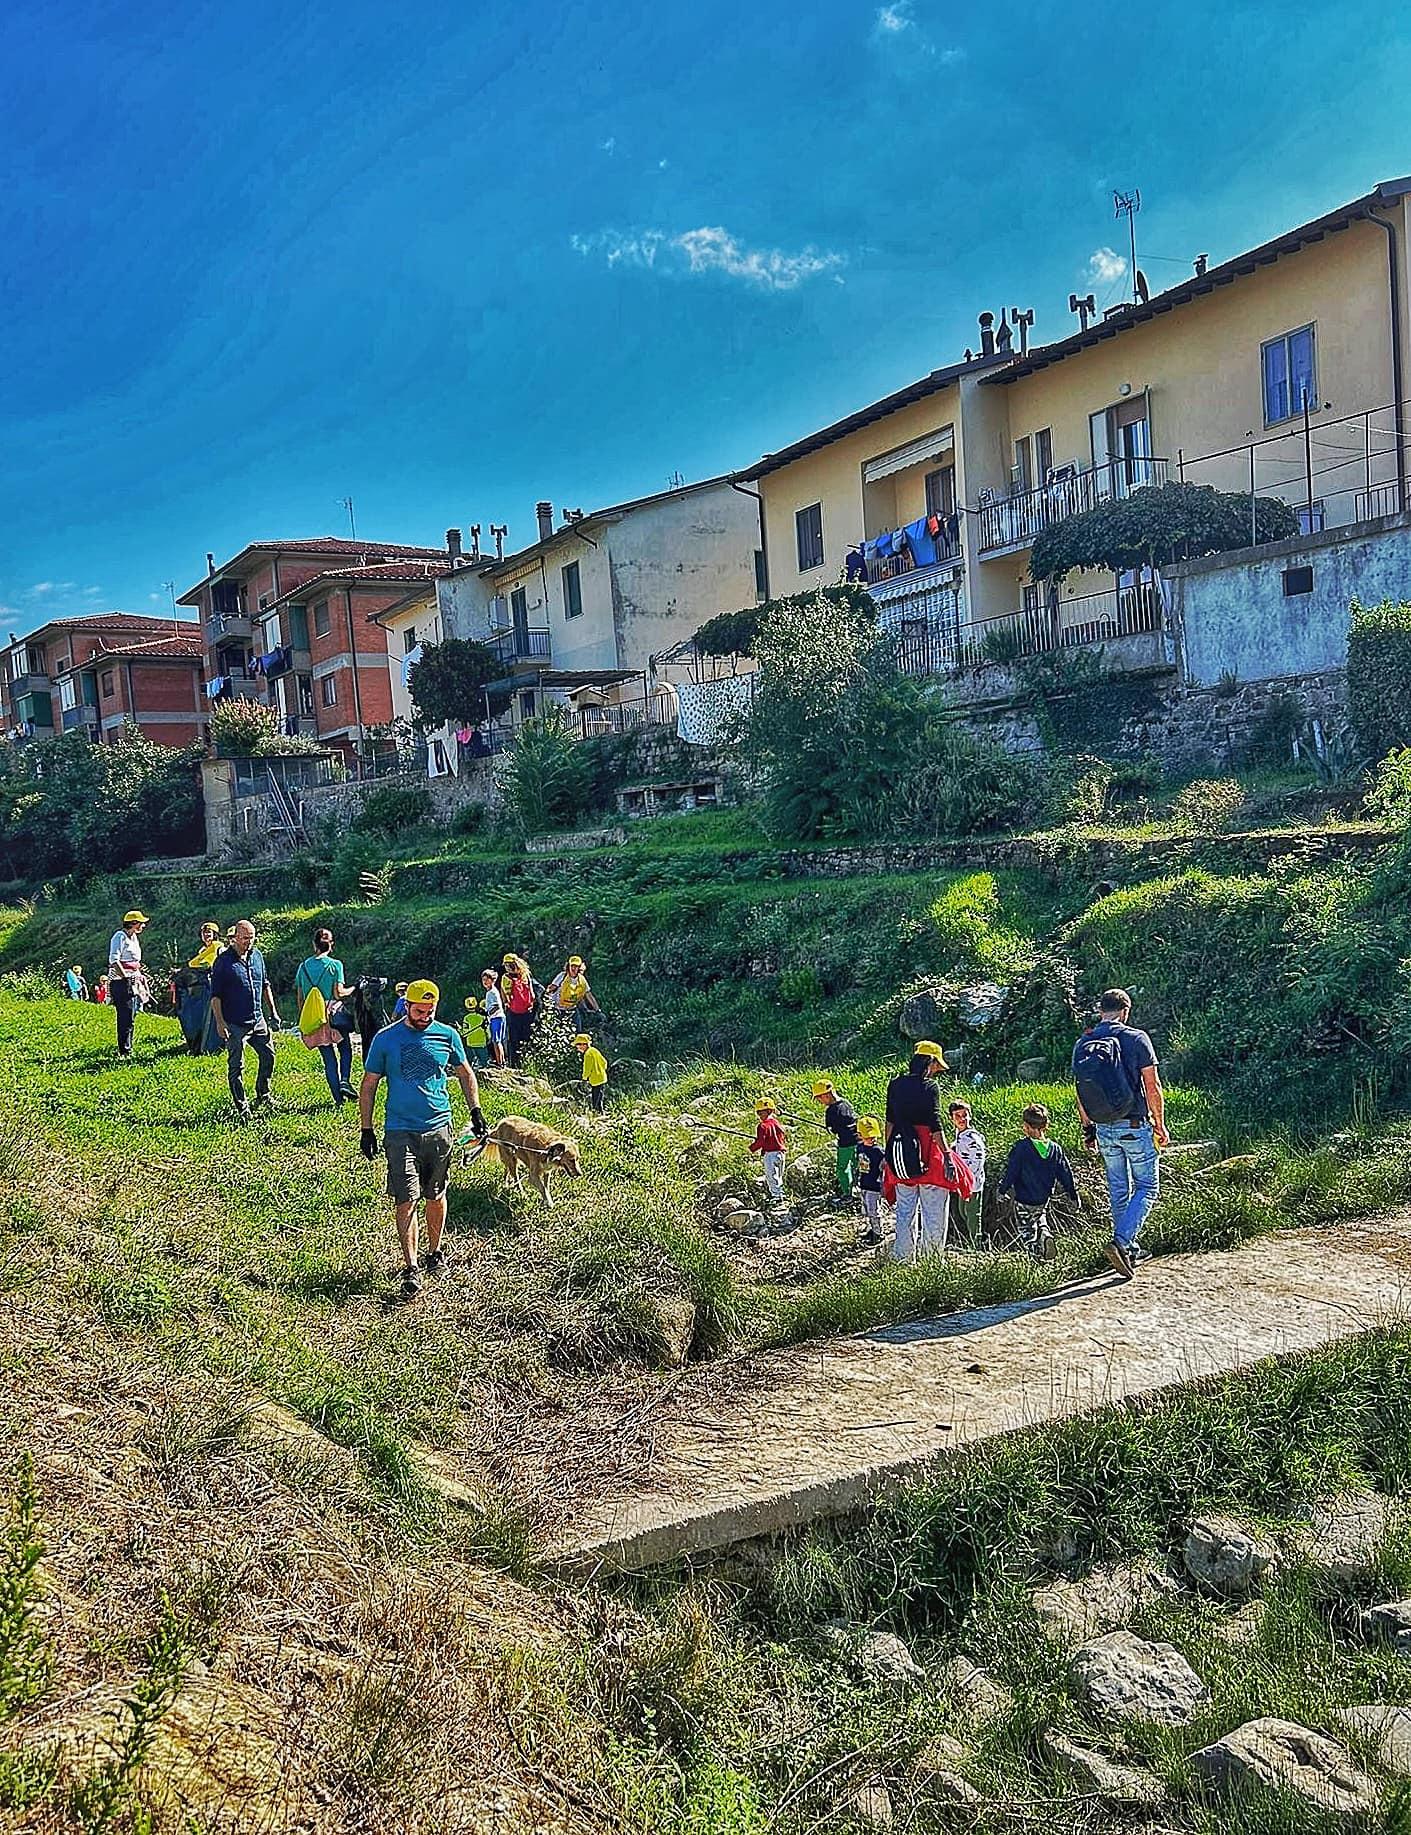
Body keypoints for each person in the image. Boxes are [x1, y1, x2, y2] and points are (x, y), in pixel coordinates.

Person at [358, 977, 487, 1297]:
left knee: (436, 1194)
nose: (425, 1015)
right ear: (407, 1006)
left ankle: (435, 1252)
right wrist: (366, 1128)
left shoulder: (447, 1036)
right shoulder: (386, 1039)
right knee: (406, 1198)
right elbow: (370, 1082)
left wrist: (476, 1110)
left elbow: (465, 1071)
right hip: (400, 1129)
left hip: (439, 1128)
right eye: (419, 1010)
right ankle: (411, 1266)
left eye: (430, 1010)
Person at [1072, 987, 1169, 1280]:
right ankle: (1122, 1241)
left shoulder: (1084, 1043)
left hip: (1103, 1128)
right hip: (1134, 1126)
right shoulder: (1136, 1038)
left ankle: (1130, 1250)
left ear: (1101, 1011)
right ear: (1125, 1011)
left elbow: (1080, 1092)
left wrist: (1088, 1129)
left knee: (1118, 1188)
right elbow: (1153, 1086)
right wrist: (1160, 1124)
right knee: (1148, 1187)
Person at [883, 1040, 952, 1260]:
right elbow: (935, 1124)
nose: (935, 1072)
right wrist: (948, 1155)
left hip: (900, 1151)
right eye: (935, 1066)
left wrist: (888, 1154)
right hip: (927, 1152)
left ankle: (903, 1258)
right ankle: (930, 1261)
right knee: (934, 1213)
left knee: (904, 1212)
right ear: (930, 1062)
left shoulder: (895, 1084)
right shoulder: (930, 1087)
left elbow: (889, 1122)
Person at [210, 918, 282, 1123]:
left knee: (269, 1056)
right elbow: (215, 996)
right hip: (234, 1023)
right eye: (244, 938)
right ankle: (242, 1107)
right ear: (234, 938)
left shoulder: (257, 956)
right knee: (236, 1066)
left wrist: (273, 1012)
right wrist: (220, 1022)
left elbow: (265, 984)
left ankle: (263, 1093)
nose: (247, 942)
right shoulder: (223, 962)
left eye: (251, 938)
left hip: (258, 1019)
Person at [996, 1103, 1076, 1260]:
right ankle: (1045, 1233)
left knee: (1026, 1230)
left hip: (1024, 1199)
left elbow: (1012, 1172)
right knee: (1040, 1215)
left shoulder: (1021, 1148)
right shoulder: (1055, 1149)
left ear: (1026, 1126)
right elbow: (1065, 1173)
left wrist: (1002, 1189)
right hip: (1043, 1198)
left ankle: (1036, 1257)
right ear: (1046, 1125)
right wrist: (1073, 1195)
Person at [295, 927, 357, 1106]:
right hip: (332, 1015)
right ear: (331, 945)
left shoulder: (303, 966)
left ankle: (338, 1101)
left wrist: (305, 1018)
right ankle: (345, 1079)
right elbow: (339, 993)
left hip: (313, 1016)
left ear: (314, 944)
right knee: (345, 1048)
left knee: (328, 1059)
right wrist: (354, 989)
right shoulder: (335, 965)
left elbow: (300, 998)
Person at [176, 921, 225, 1056]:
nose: (206, 935)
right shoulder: (202, 950)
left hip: (210, 986)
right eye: (204, 933)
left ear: (215, 934)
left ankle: (210, 1045)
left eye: (209, 933)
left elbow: (205, 964)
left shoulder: (218, 947)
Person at [107, 909, 148, 1059]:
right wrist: (125, 977)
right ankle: (124, 1049)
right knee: (125, 1015)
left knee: (132, 1013)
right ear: (133, 923)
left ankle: (128, 1045)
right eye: (141, 923)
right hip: (121, 980)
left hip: (133, 978)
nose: (143, 926)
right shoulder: (120, 937)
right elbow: (114, 960)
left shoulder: (134, 938)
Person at [948, 1100, 988, 1248]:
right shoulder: (960, 1135)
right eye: (957, 1116)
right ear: (951, 1118)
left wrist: (969, 1178)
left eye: (964, 1115)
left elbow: (979, 1159)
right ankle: (972, 1240)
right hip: (962, 1183)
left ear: (970, 1116)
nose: (962, 1119)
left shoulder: (973, 1138)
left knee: (972, 1215)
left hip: (973, 1184)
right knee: (962, 1211)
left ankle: (976, 1244)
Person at [813, 1079, 860, 1202]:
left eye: (819, 1099)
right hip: (859, 1140)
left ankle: (847, 1193)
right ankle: (860, 1189)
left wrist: (832, 1130)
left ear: (826, 1095)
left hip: (845, 1143)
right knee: (858, 1165)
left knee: (842, 1167)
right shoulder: (846, 1103)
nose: (820, 1102)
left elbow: (831, 1129)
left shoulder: (831, 1111)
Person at [500, 954, 540, 1066]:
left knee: (513, 1039)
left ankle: (515, 1063)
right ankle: (527, 1061)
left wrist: (506, 1004)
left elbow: (505, 994)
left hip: (514, 1012)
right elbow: (532, 992)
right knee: (527, 1037)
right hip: (527, 1011)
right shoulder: (525, 975)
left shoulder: (506, 978)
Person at [749, 1099, 787, 1206]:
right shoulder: (777, 1123)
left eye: (761, 1112)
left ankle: (776, 1196)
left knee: (771, 1176)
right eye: (758, 1113)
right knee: (779, 1175)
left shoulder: (762, 1126)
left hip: (770, 1154)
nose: (759, 1115)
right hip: (781, 1153)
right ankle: (781, 1194)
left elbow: (761, 1141)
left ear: (769, 1111)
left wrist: (752, 1148)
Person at [856, 1115, 886, 1245]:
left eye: (873, 1136)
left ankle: (878, 1233)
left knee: (874, 1210)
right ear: (860, 1135)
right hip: (864, 1183)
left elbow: (885, 1167)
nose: (871, 1139)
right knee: (867, 1210)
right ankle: (872, 1229)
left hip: (875, 1185)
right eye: (867, 1137)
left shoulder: (879, 1151)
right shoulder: (860, 1148)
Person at [574, 1033, 609, 1111]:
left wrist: (584, 1078)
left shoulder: (588, 1054)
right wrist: (601, 1070)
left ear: (584, 1044)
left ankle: (596, 1112)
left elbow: (587, 1068)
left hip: (595, 1079)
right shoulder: (594, 1050)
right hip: (602, 1077)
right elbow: (604, 1062)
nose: (577, 1047)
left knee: (595, 1098)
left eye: (578, 1045)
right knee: (599, 1096)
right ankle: (600, 1111)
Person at [480, 968, 507, 1067]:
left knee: (496, 1041)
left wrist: (488, 1013)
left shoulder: (492, 992)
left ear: (492, 980)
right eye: (483, 980)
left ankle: (500, 1062)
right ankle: (501, 1060)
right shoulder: (490, 992)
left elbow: (496, 1006)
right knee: (496, 1040)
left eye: (487, 979)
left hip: (497, 1018)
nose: (485, 982)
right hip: (495, 1018)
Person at [462, 996, 490, 1068]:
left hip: (471, 1044)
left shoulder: (466, 1018)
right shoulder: (482, 1017)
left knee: (470, 1064)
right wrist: (488, 1038)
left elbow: (464, 1033)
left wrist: (459, 1029)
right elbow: (487, 1031)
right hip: (482, 1043)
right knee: (484, 1064)